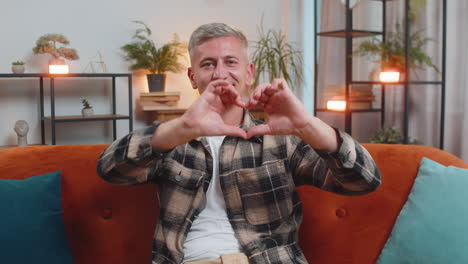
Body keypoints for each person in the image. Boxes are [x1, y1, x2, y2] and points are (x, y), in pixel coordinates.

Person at [97, 22, 381, 264]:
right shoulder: (172, 137)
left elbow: (364, 180)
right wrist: (183, 127)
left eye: (230, 62)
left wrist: (306, 124)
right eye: (208, 64)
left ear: (248, 72)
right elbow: (110, 169)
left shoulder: (281, 139)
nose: (220, 73)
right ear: (192, 76)